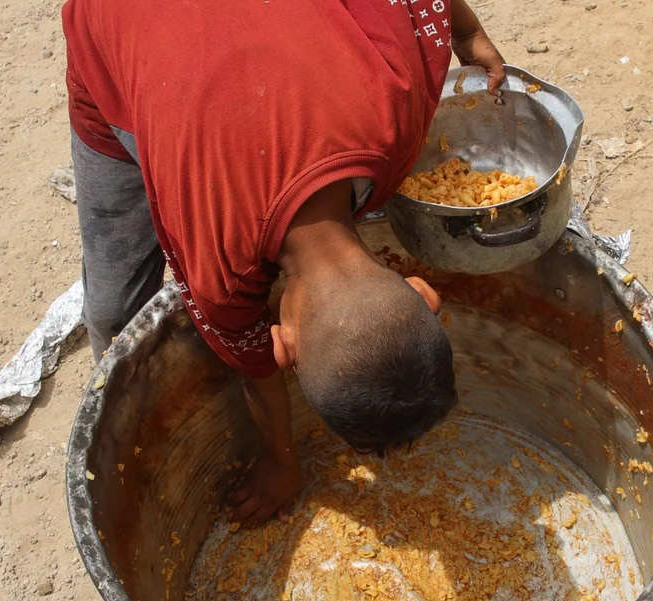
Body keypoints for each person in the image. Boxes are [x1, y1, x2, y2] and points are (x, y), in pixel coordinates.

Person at [63, 0, 505, 525]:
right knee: (117, 313)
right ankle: (127, 432)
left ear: (423, 289)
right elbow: (256, 369)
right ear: (281, 343)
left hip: (212, 55)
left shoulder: (402, 101)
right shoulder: (217, 271)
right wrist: (280, 462)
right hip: (118, 29)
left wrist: (466, 32)